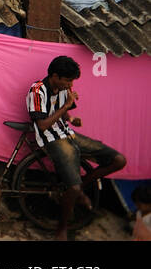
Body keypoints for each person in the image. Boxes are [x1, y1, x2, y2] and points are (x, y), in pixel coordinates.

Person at [26, 55, 126, 239]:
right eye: (68, 80)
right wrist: (66, 107)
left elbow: (61, 113)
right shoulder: (37, 90)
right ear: (55, 76)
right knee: (72, 188)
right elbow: (41, 125)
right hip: (51, 139)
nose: (70, 84)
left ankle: (81, 188)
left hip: (69, 134)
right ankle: (62, 227)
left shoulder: (64, 88)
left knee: (119, 160)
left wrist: (71, 119)